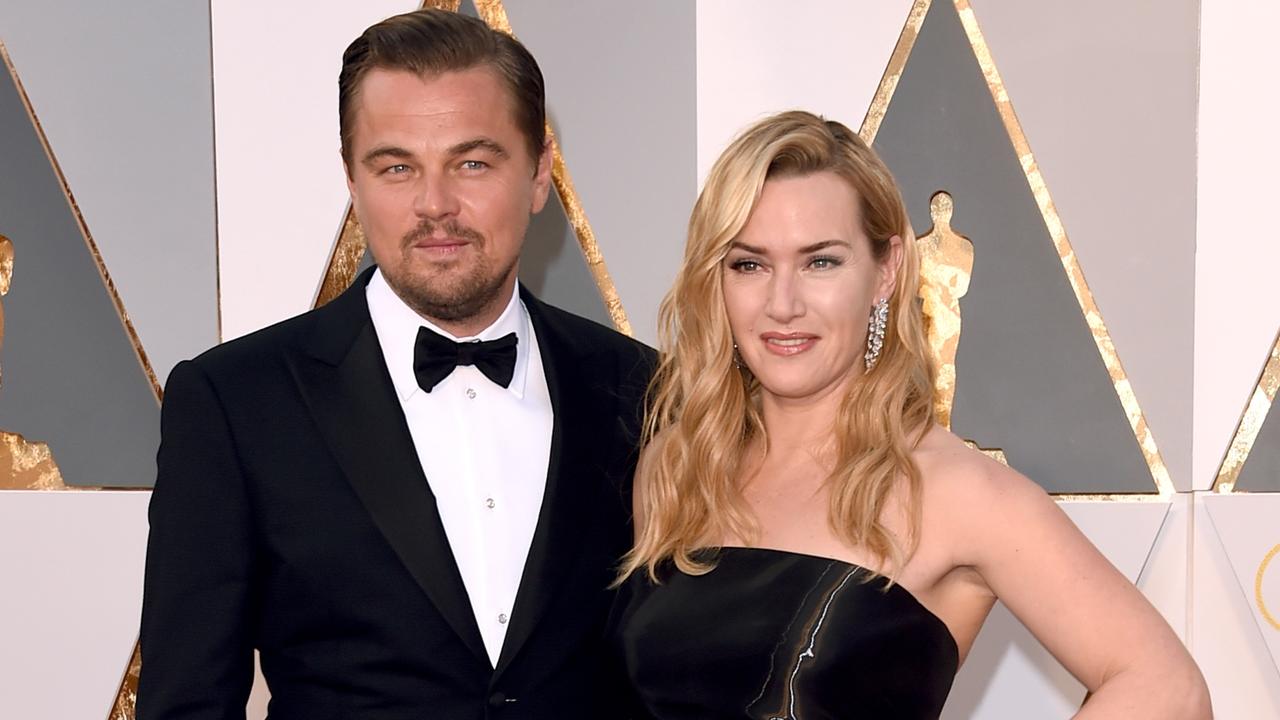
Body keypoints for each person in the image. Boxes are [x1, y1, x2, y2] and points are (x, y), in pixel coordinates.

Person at [137, 9, 653, 719]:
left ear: (540, 173)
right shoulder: (236, 403)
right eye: (397, 167)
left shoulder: (646, 391)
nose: (435, 205)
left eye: (473, 162)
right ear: (352, 180)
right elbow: (187, 703)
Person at [611, 111, 1210, 719]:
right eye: (750, 264)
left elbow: (1168, 689)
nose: (781, 303)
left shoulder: (952, 491)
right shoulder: (676, 467)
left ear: (886, 271)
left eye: (821, 262)